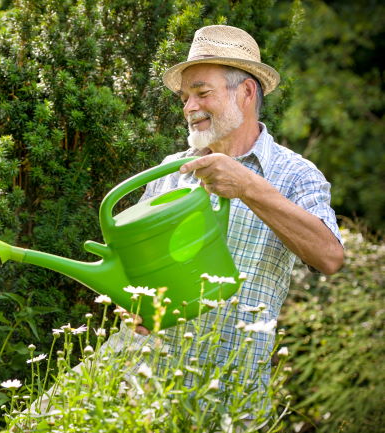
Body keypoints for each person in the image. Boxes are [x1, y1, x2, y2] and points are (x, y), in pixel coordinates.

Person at [30, 24, 344, 424]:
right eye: (184, 97)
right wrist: (131, 305)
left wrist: (249, 186)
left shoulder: (295, 174)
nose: (189, 106)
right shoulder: (170, 171)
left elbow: (330, 256)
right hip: (139, 378)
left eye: (202, 92)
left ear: (246, 93)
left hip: (228, 391)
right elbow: (137, 272)